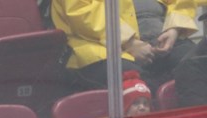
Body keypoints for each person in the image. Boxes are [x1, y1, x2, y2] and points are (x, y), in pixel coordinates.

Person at [52, 0, 196, 92]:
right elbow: (80, 13)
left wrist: (174, 28)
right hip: (101, 46)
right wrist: (128, 42)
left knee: (196, 65)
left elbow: (181, 2)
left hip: (161, 35)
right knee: (137, 87)